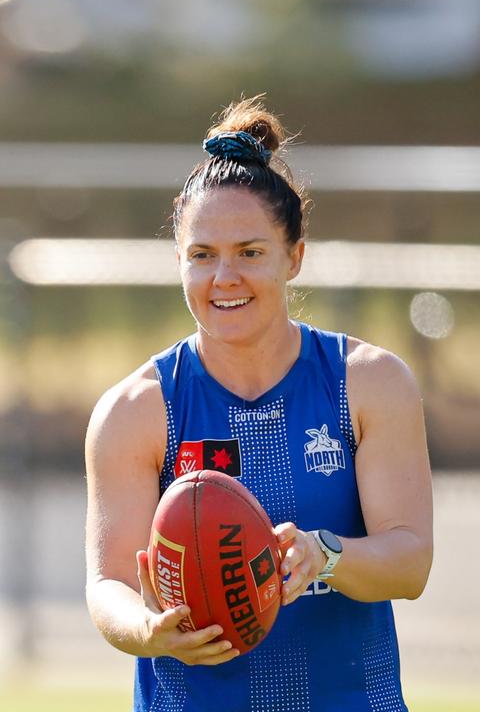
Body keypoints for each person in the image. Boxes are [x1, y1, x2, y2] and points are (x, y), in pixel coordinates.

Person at [84, 96, 433, 710]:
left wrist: (325, 556)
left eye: (249, 252)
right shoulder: (136, 409)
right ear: (179, 263)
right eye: (202, 255)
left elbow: (409, 563)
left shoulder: (368, 382)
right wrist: (150, 633)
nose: (224, 277)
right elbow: (109, 584)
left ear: (294, 256)